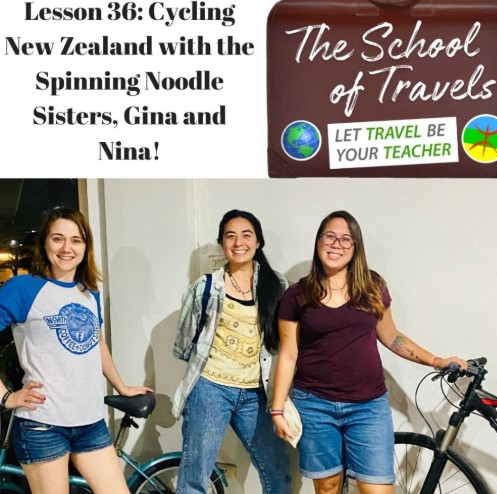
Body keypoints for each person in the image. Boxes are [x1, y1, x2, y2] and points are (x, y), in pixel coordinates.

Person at [271, 210, 467, 494]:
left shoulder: (373, 287)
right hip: (314, 405)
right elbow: (288, 355)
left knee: (376, 489)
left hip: (368, 407)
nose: (336, 244)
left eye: (345, 239)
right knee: (327, 488)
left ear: (355, 248)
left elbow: (392, 336)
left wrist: (436, 361)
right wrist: (277, 408)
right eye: (330, 236)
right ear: (318, 242)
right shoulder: (297, 295)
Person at [0, 206, 152, 494]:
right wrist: (7, 397)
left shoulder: (88, 292)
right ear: (45, 243)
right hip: (43, 426)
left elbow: (98, 343)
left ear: (85, 247)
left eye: (76, 240)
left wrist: (121, 386)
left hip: (90, 422)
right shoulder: (23, 288)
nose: (67, 248)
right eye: (58, 239)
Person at [173, 209, 291, 494]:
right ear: (221, 243)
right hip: (210, 389)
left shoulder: (276, 286)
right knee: (194, 477)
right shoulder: (205, 287)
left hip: (255, 393)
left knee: (278, 473)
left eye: (246, 235)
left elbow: (279, 343)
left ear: (258, 242)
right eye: (230, 236)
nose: (239, 242)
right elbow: (185, 343)